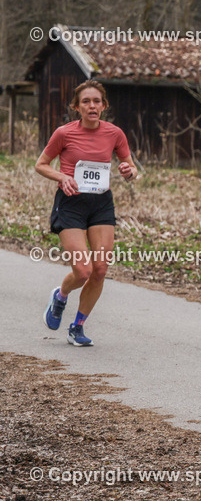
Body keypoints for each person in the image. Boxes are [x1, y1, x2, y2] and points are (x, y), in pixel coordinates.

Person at [36, 80, 139, 346]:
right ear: (76, 107)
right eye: (86, 101)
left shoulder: (115, 133)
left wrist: (130, 172)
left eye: (96, 101)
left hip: (101, 203)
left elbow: (129, 165)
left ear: (104, 106)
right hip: (70, 203)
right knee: (82, 271)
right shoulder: (64, 133)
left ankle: (77, 327)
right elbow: (41, 164)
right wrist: (62, 176)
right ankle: (60, 296)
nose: (92, 106)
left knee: (101, 269)